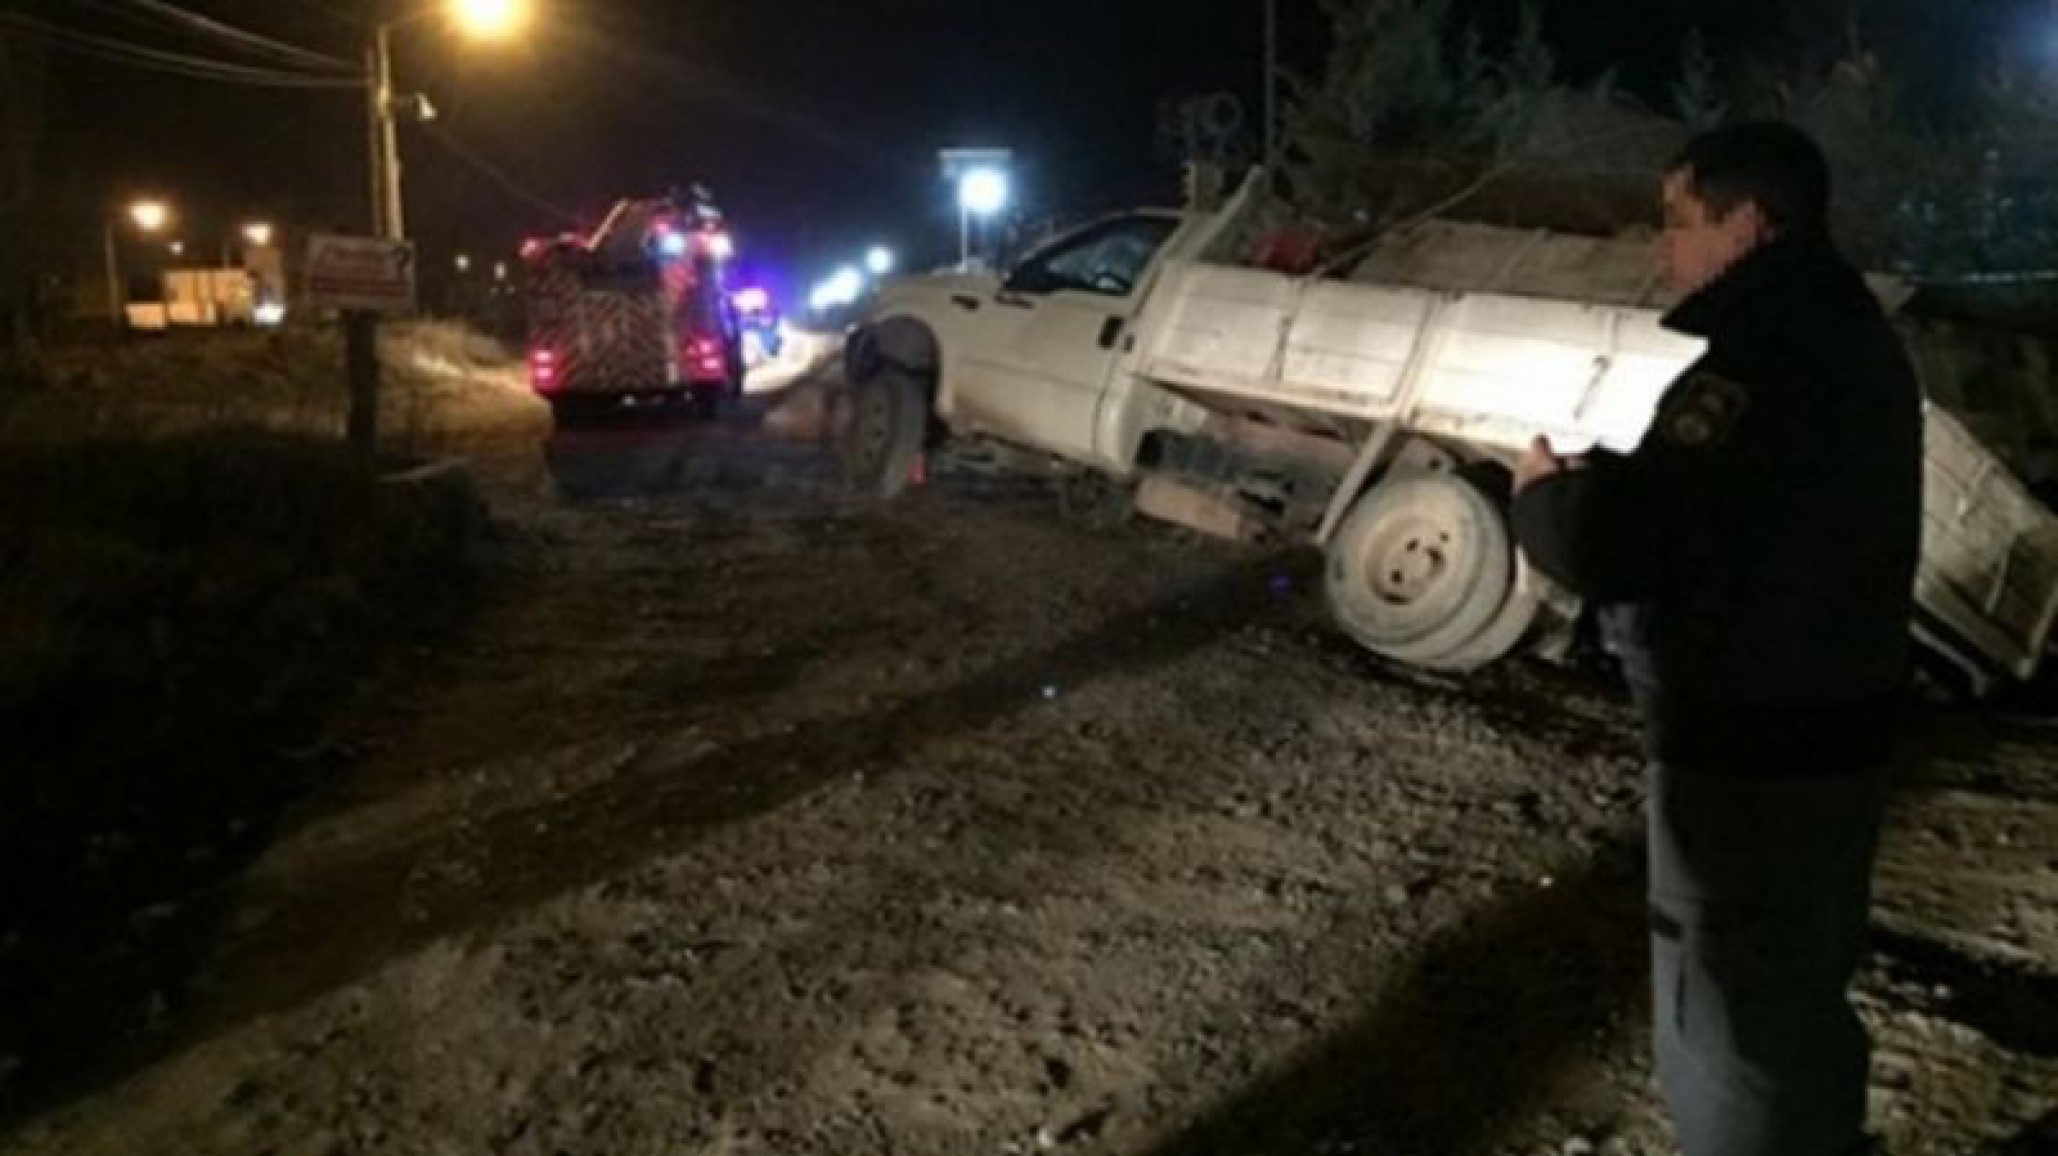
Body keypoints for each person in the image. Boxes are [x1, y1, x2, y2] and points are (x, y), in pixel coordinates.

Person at [1510, 121, 1922, 1156]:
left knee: (1731, 1011)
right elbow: (1736, 516)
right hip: (1833, 730)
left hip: (1751, 749)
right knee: (1795, 995)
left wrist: (1544, 503)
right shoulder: (1844, 334)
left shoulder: (1766, 355)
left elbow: (1633, 539)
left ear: (1745, 222)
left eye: (1680, 222)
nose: (1666, 250)